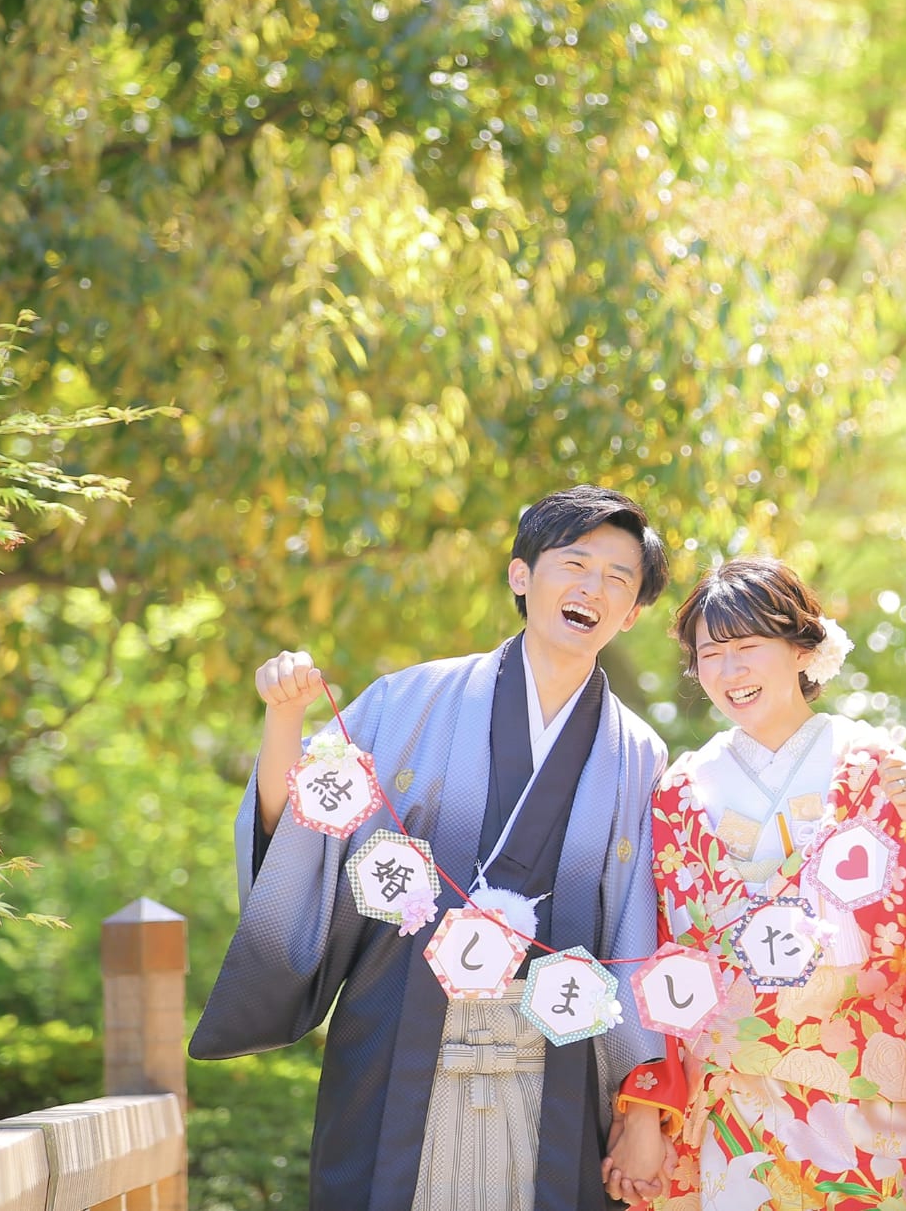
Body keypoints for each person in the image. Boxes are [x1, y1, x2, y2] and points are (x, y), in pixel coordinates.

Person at [191, 486, 679, 1209]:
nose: (592, 589)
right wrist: (284, 719)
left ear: (633, 612)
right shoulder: (409, 700)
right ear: (521, 574)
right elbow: (302, 825)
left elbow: (637, 933)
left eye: (618, 578)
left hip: (558, 1058)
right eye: (574, 564)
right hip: (400, 1039)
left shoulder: (637, 752)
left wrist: (640, 1109)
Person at [621, 557, 906, 1211]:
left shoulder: (872, 767)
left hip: (872, 1106)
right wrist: (646, 1106)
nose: (730, 671)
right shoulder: (680, 793)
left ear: (802, 648)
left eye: (748, 647)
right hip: (739, 1106)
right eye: (710, 654)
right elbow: (660, 956)